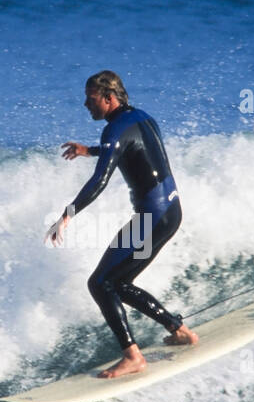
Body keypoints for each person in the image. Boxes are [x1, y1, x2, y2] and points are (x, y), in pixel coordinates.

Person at [46, 71, 198, 378]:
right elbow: (129, 148)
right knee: (118, 283)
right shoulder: (143, 118)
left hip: (150, 219)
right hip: (170, 212)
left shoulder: (114, 130)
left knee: (100, 284)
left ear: (108, 98)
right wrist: (89, 150)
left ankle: (132, 356)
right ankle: (180, 331)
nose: (85, 105)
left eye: (90, 99)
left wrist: (66, 215)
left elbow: (100, 181)